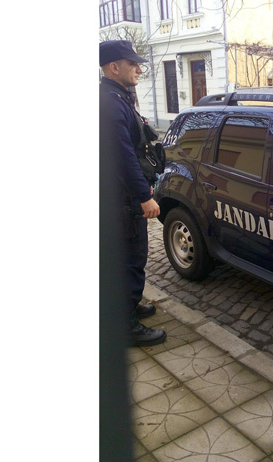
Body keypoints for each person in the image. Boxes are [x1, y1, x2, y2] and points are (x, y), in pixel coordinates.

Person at [100, 40, 166, 347]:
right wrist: (144, 196)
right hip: (124, 200)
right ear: (114, 67)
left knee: (128, 258)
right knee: (131, 258)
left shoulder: (115, 97)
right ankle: (126, 326)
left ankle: (129, 306)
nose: (139, 69)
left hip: (120, 196)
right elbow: (122, 156)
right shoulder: (111, 103)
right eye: (132, 64)